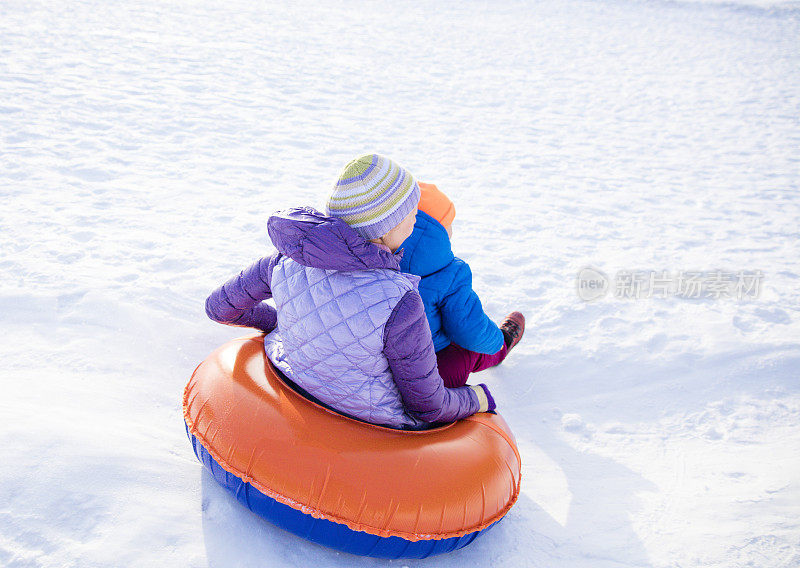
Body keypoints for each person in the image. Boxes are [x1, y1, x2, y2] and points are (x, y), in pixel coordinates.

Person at [204, 154, 495, 430]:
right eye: (410, 213)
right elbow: (428, 405)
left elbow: (220, 307)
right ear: (385, 229)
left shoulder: (283, 260)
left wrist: (281, 323)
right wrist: (477, 399)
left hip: (291, 376)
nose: (416, 220)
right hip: (368, 417)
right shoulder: (399, 300)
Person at [398, 182, 525, 388]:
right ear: (442, 231)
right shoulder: (449, 272)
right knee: (470, 348)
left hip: (377, 368)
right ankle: (502, 345)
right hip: (434, 375)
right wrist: (494, 342)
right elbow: (470, 331)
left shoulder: (373, 254)